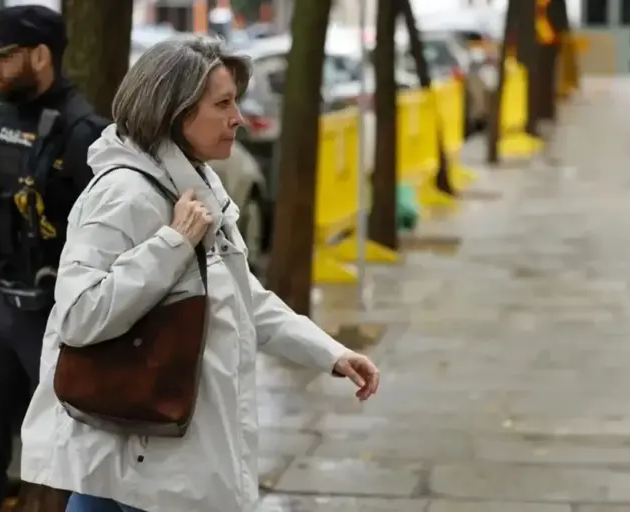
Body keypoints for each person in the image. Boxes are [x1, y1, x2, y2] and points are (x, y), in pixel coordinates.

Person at [20, 36, 381, 512]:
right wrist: (172, 244)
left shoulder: (195, 183)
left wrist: (330, 353)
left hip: (151, 453)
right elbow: (80, 315)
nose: (238, 118)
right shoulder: (124, 193)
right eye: (223, 104)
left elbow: (245, 298)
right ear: (174, 111)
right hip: (139, 457)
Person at [0, 5, 106, 511]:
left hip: (53, 318)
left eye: (3, 58)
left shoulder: (84, 132)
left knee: (69, 450)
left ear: (40, 56)